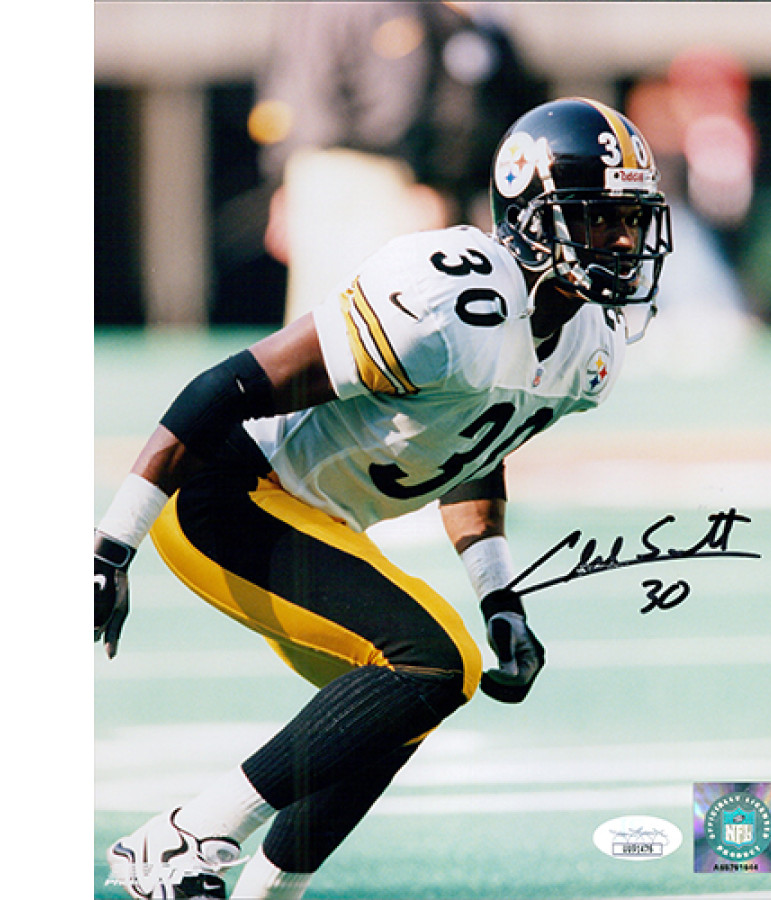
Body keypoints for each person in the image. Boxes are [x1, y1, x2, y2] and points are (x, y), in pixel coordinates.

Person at [95, 97, 673, 900]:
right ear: (530, 218)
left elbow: (475, 444)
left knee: (403, 704)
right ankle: (181, 838)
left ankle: (268, 893)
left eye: (631, 221)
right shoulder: (449, 300)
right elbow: (225, 387)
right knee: (435, 661)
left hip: (315, 517)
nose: (621, 242)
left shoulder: (591, 348)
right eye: (597, 218)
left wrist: (499, 595)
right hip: (225, 494)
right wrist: (111, 545)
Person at [250, 1, 547, 322]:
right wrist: (426, 177)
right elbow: (394, 104)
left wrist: (280, 177)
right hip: (373, 177)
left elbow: (283, 95)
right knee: (381, 319)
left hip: (314, 171)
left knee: (323, 322)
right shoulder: (388, 8)